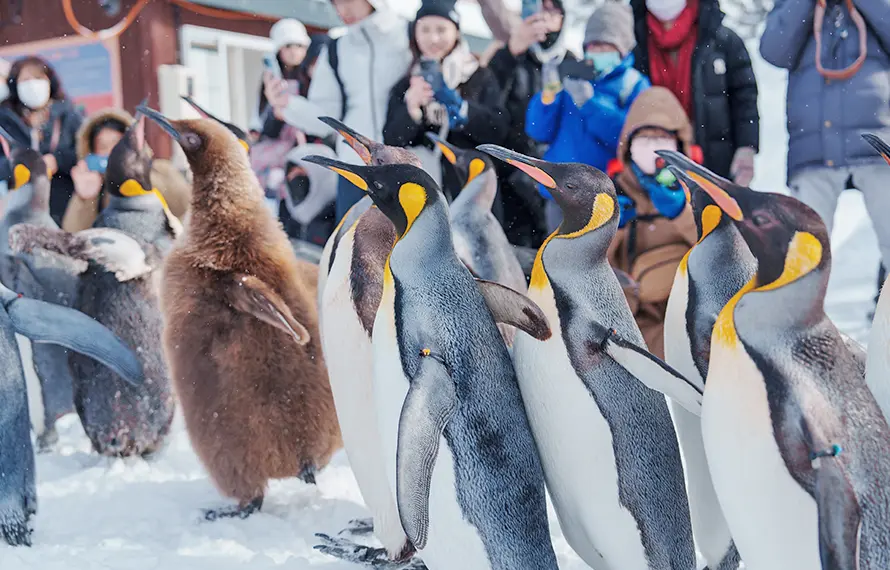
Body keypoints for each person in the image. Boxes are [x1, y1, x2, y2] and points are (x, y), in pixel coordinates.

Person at [760, 0, 890, 297]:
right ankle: (801, 333)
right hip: (813, 148)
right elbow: (774, 49)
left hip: (878, 143)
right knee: (804, 258)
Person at [271, 0, 412, 221]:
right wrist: (287, 104)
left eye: (347, 1)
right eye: (335, 3)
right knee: (352, 251)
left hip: (409, 171)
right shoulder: (337, 49)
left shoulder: (411, 34)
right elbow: (325, 116)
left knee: (411, 250)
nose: (341, 10)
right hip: (354, 171)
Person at [526, 1, 650, 231]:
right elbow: (538, 131)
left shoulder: (635, 85)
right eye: (593, 45)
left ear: (622, 49)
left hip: (604, 199)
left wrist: (590, 104)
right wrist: (548, 95)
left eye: (605, 46)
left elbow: (628, 139)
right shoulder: (574, 76)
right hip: (559, 194)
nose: (597, 52)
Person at [607, 86, 699, 358]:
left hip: (693, 315)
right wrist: (613, 229)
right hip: (638, 324)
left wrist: (682, 212)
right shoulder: (611, 193)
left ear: (679, 144)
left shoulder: (699, 191)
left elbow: (727, 251)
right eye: (643, 140)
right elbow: (590, 266)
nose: (653, 149)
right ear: (628, 146)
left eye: (661, 138)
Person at [383, 0, 508, 196]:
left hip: (472, 189)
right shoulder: (407, 81)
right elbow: (391, 141)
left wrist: (464, 111)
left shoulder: (478, 75)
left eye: (441, 30)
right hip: (421, 193)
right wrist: (412, 110)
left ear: (456, 32)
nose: (433, 38)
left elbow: (498, 130)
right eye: (425, 30)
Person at [630, 0, 759, 185]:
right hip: (656, 170)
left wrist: (746, 147)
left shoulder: (723, 42)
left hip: (717, 165)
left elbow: (744, 98)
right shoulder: (636, 48)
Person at [486, 0, 574, 247]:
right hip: (512, 180)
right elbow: (485, 105)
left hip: (560, 182)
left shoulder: (571, 62)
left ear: (562, 18)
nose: (544, 18)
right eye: (538, 10)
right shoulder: (507, 55)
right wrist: (512, 51)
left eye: (552, 11)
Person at [62, 107, 191, 232]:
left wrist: (138, 174)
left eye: (117, 143)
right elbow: (73, 233)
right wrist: (85, 198)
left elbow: (183, 204)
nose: (112, 151)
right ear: (92, 151)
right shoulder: (95, 183)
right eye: (103, 146)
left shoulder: (160, 170)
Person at [0, 56, 84, 224]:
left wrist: (57, 160)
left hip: (64, 206)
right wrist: (17, 166)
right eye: (25, 79)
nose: (32, 84)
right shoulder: (4, 121)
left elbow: (83, 152)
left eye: (38, 78)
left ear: (49, 81)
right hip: (17, 209)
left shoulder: (69, 115)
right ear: (15, 85)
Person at [254, 21, 322, 212]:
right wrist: (277, 114)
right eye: (288, 46)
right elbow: (265, 122)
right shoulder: (271, 80)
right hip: (277, 148)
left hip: (308, 148)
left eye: (299, 46)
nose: (294, 52)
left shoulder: (314, 80)